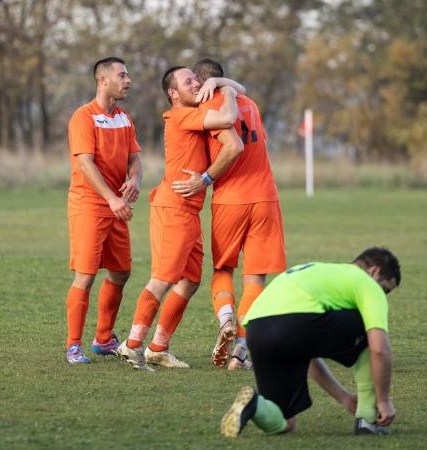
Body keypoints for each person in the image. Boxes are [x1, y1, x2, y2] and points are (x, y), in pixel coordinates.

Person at [116, 66, 244, 371]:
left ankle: (158, 348)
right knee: (162, 279)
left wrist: (219, 81)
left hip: (188, 210)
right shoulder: (179, 114)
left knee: (190, 282)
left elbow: (240, 87)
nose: (196, 84)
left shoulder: (193, 110)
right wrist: (224, 91)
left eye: (197, 79)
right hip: (173, 207)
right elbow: (228, 118)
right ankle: (132, 345)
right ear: (173, 93)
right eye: (188, 81)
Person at [219, 247, 401, 437]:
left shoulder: (319, 272)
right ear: (375, 271)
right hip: (296, 323)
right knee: (370, 331)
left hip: (256, 329)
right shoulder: (366, 282)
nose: (383, 294)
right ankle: (367, 420)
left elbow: (305, 349)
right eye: (385, 289)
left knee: (284, 422)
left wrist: (344, 398)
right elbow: (380, 350)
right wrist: (383, 400)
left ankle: (255, 406)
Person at [186, 58, 286, 370]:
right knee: (255, 276)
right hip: (265, 197)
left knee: (223, 268)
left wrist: (204, 179)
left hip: (230, 199)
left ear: (202, 84)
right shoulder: (250, 104)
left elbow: (227, 147)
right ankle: (240, 353)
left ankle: (226, 318)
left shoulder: (208, 108)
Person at [64, 56, 142, 364]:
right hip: (90, 205)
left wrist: (134, 178)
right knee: (85, 275)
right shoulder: (83, 117)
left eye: (128, 75)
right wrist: (111, 198)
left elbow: (135, 158)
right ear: (103, 80)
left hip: (116, 206)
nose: (128, 80)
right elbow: (85, 163)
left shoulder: (124, 117)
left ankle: (104, 339)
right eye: (122, 75)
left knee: (121, 272)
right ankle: (73, 346)